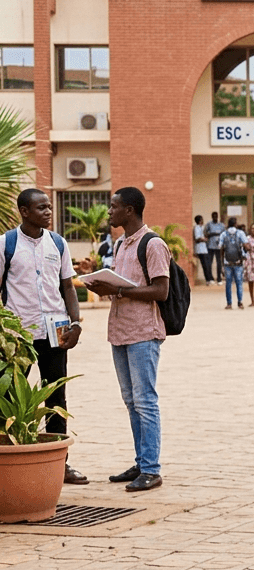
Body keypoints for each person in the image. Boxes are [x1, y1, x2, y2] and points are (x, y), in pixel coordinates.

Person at [82, 187, 171, 493]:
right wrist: (96, 278)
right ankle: (141, 461)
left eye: (114, 206)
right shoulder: (120, 243)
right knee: (131, 400)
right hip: (119, 332)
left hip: (143, 332)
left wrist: (117, 291)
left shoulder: (153, 243)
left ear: (129, 210)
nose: (109, 212)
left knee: (145, 401)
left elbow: (161, 291)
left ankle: (151, 469)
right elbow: (123, 283)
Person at [3, 189, 86, 484]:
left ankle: (60, 465)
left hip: (56, 331)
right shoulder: (6, 245)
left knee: (56, 396)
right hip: (19, 336)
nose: (49, 212)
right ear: (24, 211)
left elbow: (68, 288)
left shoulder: (57, 243)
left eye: (49, 207)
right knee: (12, 399)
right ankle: (12, 461)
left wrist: (75, 324)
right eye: (42, 208)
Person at [220, 218, 247, 310]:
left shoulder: (224, 234)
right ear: (236, 224)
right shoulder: (240, 233)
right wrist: (244, 255)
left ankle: (229, 303)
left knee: (228, 283)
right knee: (239, 282)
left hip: (227, 262)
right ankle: (240, 302)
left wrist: (222, 263)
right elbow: (246, 245)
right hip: (238, 262)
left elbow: (221, 248)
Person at [204, 211, 226, 282]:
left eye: (216, 216)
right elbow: (205, 233)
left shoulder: (221, 225)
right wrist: (211, 234)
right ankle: (210, 278)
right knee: (210, 262)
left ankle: (219, 278)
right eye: (214, 216)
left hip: (219, 246)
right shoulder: (209, 224)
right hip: (210, 245)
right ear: (212, 217)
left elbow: (224, 234)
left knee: (219, 262)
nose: (215, 218)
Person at [192, 215, 213, 285]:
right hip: (200, 249)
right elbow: (197, 238)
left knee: (208, 264)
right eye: (201, 219)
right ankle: (208, 280)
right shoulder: (196, 228)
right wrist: (204, 239)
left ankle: (210, 278)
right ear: (199, 220)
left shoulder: (202, 227)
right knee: (205, 265)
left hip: (205, 249)